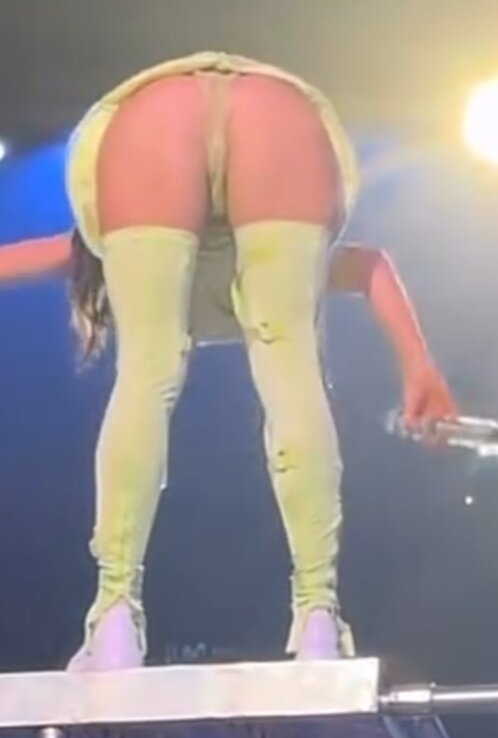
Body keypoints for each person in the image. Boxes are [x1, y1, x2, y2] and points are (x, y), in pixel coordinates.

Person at [0, 51, 457, 671]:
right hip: (273, 113)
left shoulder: (105, 262)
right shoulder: (120, 263)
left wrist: (419, 368)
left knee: (146, 374)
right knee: (291, 368)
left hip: (158, 118)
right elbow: (372, 264)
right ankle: (318, 616)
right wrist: (418, 367)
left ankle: (113, 617)